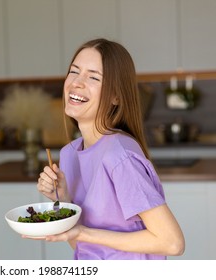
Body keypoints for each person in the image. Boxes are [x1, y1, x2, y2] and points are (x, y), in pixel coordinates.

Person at [34, 38, 185, 260]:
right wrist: (64, 198)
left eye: (93, 77)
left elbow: (172, 243)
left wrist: (84, 232)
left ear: (115, 96)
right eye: (74, 71)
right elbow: (80, 245)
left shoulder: (119, 156)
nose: (77, 82)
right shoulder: (69, 154)